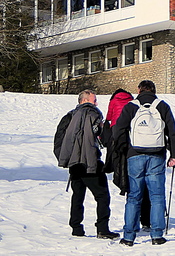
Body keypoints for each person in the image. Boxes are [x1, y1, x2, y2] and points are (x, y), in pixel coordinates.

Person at [111, 80, 175, 246]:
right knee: (156, 197)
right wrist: (174, 155)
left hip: (134, 155)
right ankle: (157, 235)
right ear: (154, 90)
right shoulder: (162, 106)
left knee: (134, 197)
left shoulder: (131, 106)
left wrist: (124, 149)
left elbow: (117, 129)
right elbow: (173, 133)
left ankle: (128, 237)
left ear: (139, 90)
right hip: (157, 155)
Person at [54, 90, 118, 240]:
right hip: (91, 163)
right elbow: (101, 136)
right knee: (102, 196)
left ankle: (76, 228)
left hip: (74, 164)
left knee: (77, 195)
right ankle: (102, 228)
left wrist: (66, 158)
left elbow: (59, 139)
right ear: (84, 101)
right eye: (94, 100)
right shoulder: (93, 114)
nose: (96, 103)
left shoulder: (69, 116)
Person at [103, 88, 151, 231]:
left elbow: (109, 119)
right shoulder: (133, 102)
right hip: (134, 141)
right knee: (143, 184)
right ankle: (146, 220)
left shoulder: (113, 101)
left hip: (119, 142)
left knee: (130, 184)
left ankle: (132, 222)